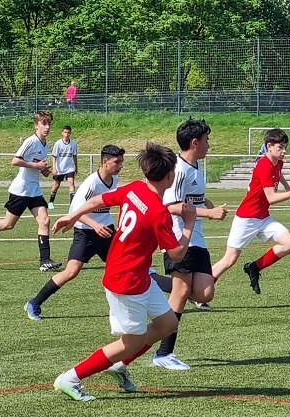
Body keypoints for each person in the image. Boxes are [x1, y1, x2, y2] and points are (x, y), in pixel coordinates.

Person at [51, 143, 197, 402]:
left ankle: (118, 365)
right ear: (170, 175)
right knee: (130, 343)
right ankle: (70, 377)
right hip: (126, 280)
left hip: (137, 275)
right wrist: (189, 223)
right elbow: (176, 254)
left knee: (168, 324)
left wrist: (73, 216)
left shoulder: (135, 188)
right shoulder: (158, 212)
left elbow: (96, 200)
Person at [153, 118, 229, 371]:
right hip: (178, 236)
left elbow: (191, 197)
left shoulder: (196, 166)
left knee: (205, 293)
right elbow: (171, 206)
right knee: (181, 292)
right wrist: (208, 213)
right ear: (195, 143)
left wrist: (206, 203)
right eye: (207, 140)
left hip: (197, 236)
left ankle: (152, 279)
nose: (209, 144)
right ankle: (164, 353)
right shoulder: (178, 169)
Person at [24, 145, 125, 321]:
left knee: (124, 267)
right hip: (85, 233)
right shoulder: (92, 183)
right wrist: (94, 225)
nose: (120, 166)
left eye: (121, 162)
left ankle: (135, 306)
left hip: (106, 231)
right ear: (105, 161)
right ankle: (34, 302)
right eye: (117, 162)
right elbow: (75, 211)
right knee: (71, 271)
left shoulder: (114, 179)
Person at [211, 128, 290, 295]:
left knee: (289, 243)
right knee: (229, 259)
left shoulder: (278, 162)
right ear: (269, 146)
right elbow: (271, 198)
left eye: (285, 147)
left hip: (263, 217)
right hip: (246, 218)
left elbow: (278, 173)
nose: (284, 151)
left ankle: (254, 267)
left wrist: (287, 187)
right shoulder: (263, 165)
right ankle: (200, 289)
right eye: (280, 147)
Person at [0, 111, 62, 271]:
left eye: (49, 124)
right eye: (44, 124)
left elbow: (34, 164)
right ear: (36, 125)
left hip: (34, 190)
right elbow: (15, 161)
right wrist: (36, 165)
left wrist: (42, 170)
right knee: (8, 224)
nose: (47, 127)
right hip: (21, 190)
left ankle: (44, 260)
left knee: (44, 221)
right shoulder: (31, 141)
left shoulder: (45, 144)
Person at [48, 125, 77, 207]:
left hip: (69, 167)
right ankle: (51, 202)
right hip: (59, 168)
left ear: (70, 133)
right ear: (62, 133)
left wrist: (76, 167)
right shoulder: (58, 144)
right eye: (65, 132)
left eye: (68, 132)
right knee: (57, 184)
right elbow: (54, 156)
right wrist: (54, 168)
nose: (66, 134)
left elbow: (74, 156)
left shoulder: (73, 143)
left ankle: (72, 204)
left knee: (71, 182)